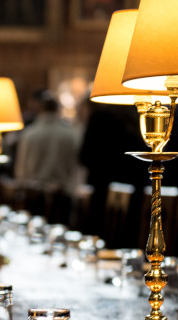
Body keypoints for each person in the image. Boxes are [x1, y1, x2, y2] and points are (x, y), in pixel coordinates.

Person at [77, 97, 146, 234]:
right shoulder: (138, 114)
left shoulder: (100, 116)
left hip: (103, 190)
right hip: (134, 191)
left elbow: (84, 157)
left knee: (101, 234)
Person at [14, 90, 79, 224]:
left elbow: (21, 169)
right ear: (57, 109)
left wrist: (20, 187)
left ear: (40, 109)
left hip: (34, 195)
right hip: (61, 195)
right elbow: (74, 165)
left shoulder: (29, 134)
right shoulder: (70, 134)